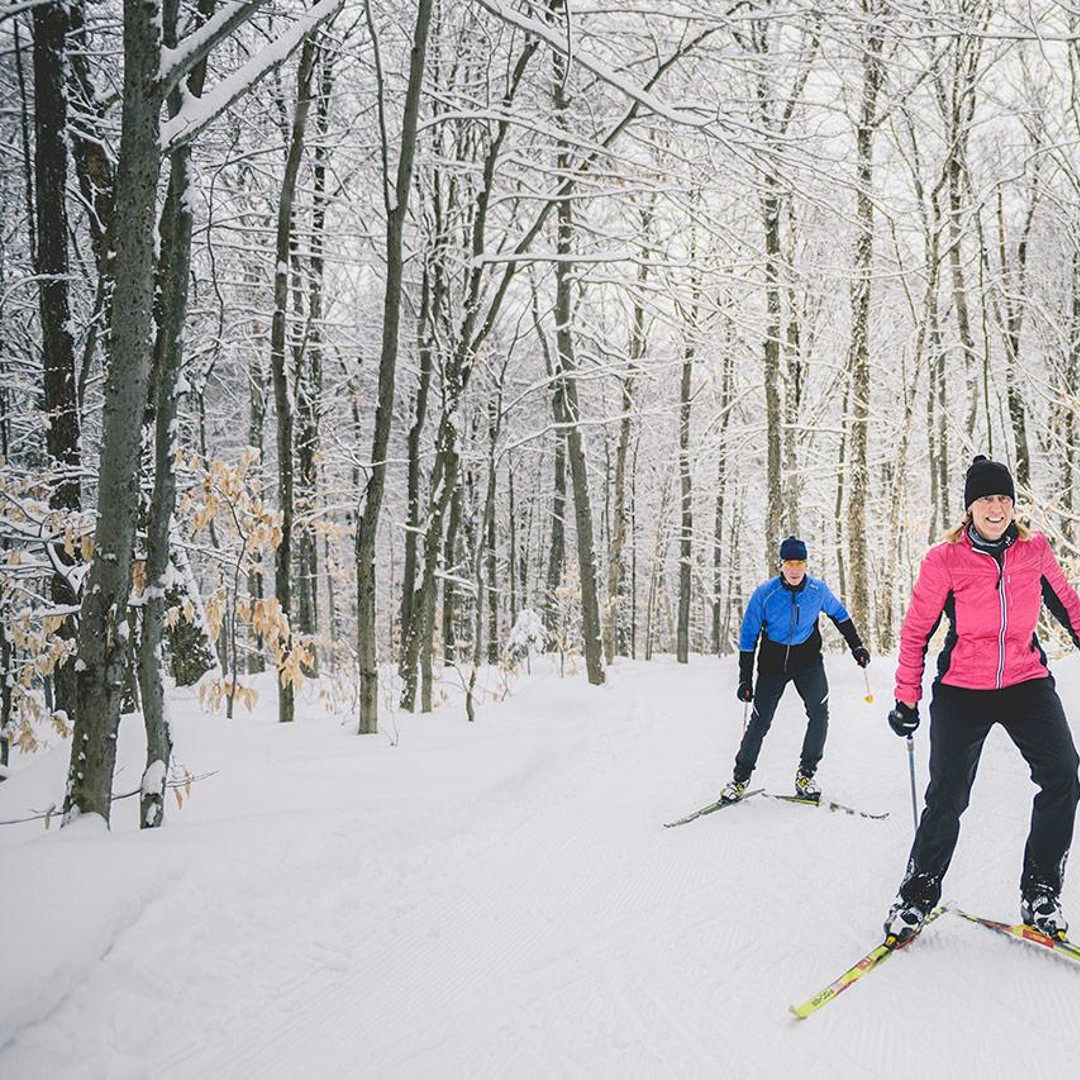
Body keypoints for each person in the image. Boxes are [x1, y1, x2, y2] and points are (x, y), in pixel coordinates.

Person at [884, 455, 1080, 944]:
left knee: (1063, 776)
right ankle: (916, 896)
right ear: (969, 507)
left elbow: (1069, 606)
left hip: (1024, 680)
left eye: (1004, 498)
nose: (997, 507)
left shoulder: (1033, 551)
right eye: (986, 499)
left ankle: (1040, 892)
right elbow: (916, 634)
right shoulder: (944, 561)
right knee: (947, 796)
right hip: (962, 689)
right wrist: (906, 699)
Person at [720, 535, 870, 804]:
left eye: (800, 562)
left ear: (805, 564)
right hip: (772, 664)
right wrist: (745, 680)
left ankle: (806, 775)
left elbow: (840, 616)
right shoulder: (765, 595)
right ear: (781, 565)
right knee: (760, 722)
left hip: (807, 661)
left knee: (819, 713)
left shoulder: (817, 590)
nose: (794, 569)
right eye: (789, 562)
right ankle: (739, 778)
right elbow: (748, 639)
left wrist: (857, 647)